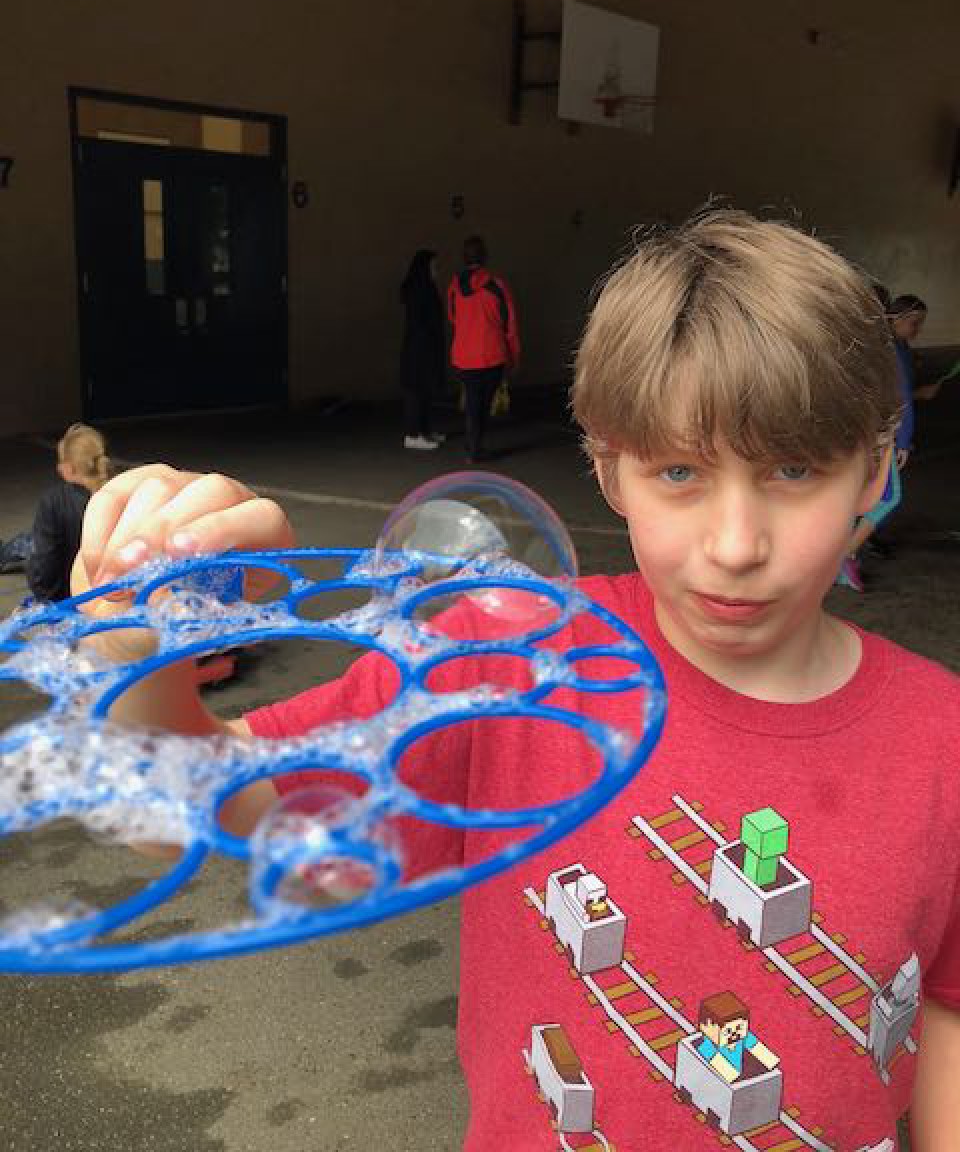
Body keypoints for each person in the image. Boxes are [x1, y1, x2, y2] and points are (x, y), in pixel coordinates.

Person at [74, 210, 960, 1151]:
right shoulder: (512, 664)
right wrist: (132, 652)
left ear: (876, 471)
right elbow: (173, 811)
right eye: (678, 471)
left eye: (793, 468)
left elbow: (945, 1011)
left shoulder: (943, 740)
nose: (736, 545)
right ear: (609, 469)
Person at [838, 293, 942, 590]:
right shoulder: (891, 352)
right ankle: (844, 556)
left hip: (869, 430)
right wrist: (903, 441)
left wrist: (921, 391)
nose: (918, 329)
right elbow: (901, 399)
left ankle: (844, 552)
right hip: (879, 434)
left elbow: (901, 393)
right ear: (896, 320)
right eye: (914, 323)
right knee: (888, 497)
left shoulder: (894, 348)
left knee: (865, 493)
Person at [447, 235, 520, 461]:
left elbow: (452, 317)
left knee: (472, 402)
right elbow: (510, 325)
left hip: (463, 356)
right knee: (484, 404)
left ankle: (473, 444)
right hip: (491, 355)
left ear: (464, 257)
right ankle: (475, 446)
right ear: (485, 256)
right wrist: (513, 357)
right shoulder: (497, 286)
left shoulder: (455, 286)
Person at [27, 423, 111, 601]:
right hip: (113, 595)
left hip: (69, 599)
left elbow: (45, 564)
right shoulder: (118, 493)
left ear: (68, 468)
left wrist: (44, 596)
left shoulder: (54, 502)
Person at [399, 248, 446, 451]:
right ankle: (413, 434)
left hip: (423, 347)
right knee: (416, 391)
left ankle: (424, 430)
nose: (436, 270)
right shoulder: (419, 290)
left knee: (425, 390)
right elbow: (421, 321)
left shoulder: (425, 287)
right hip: (419, 349)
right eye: (433, 266)